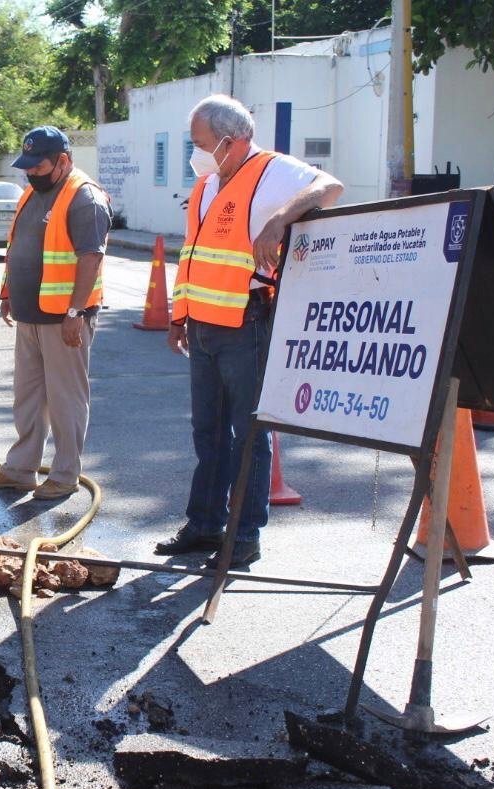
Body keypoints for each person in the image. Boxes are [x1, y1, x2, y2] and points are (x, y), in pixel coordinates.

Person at [157, 94, 343, 568]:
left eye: (201, 143)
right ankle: (204, 525)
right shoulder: (208, 180)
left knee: (247, 434)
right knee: (208, 432)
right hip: (202, 323)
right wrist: (179, 316)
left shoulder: (271, 169)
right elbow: (193, 254)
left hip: (245, 320)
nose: (195, 152)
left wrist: (281, 219)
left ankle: (243, 536)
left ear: (231, 140)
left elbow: (329, 186)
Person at [0, 126, 112, 501]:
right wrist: (8, 293)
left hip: (64, 319)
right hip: (30, 313)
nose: (30, 173)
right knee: (28, 397)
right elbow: (19, 246)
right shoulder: (31, 194)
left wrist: (76, 311)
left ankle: (65, 474)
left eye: (38, 166)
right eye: (27, 167)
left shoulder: (85, 198)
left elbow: (91, 258)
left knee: (66, 399)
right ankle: (20, 470)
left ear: (64, 161)